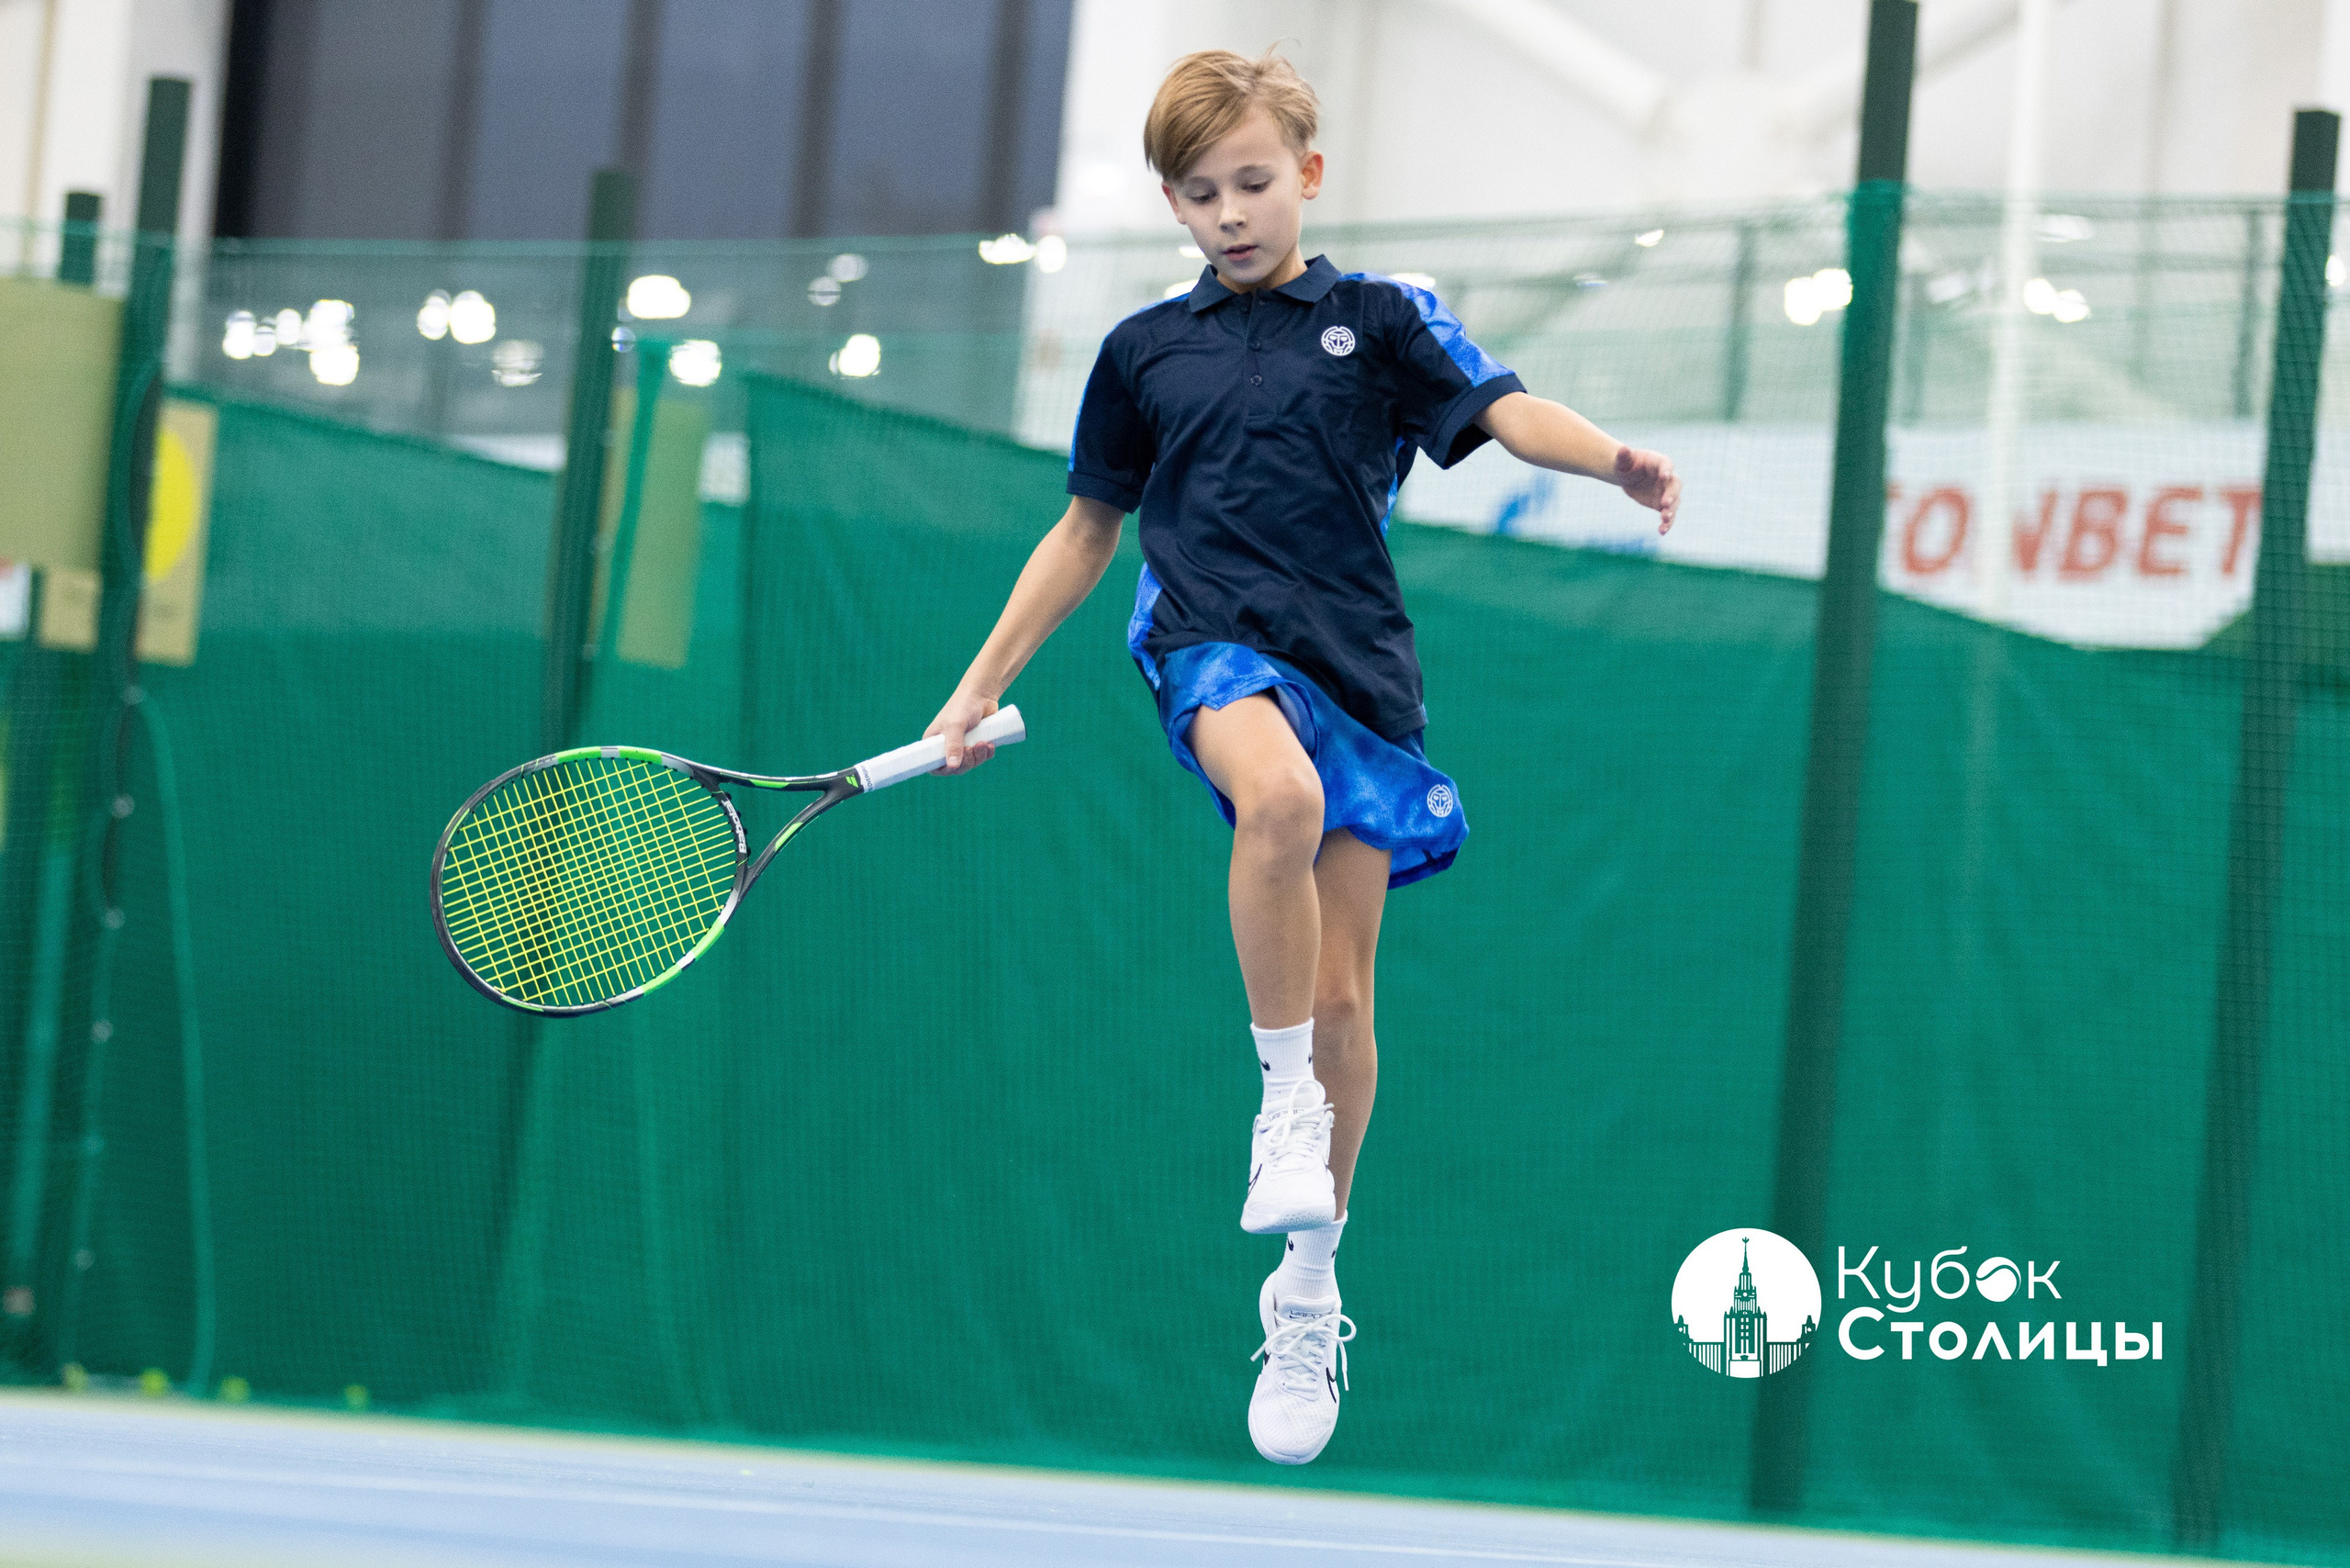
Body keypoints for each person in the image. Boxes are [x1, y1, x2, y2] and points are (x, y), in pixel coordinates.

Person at [924, 46, 1678, 1466]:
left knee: (1346, 1006)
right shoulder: (1144, 355)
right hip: (1210, 644)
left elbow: (1504, 406)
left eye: (1254, 181)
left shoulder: (1384, 321)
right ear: (1174, 205)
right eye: (1200, 193)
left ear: (1309, 176)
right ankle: (1280, 1106)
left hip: (1360, 671)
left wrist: (1609, 460)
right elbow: (1087, 532)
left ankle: (1312, 1288)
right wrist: (975, 690)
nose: (1231, 211)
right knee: (1277, 799)